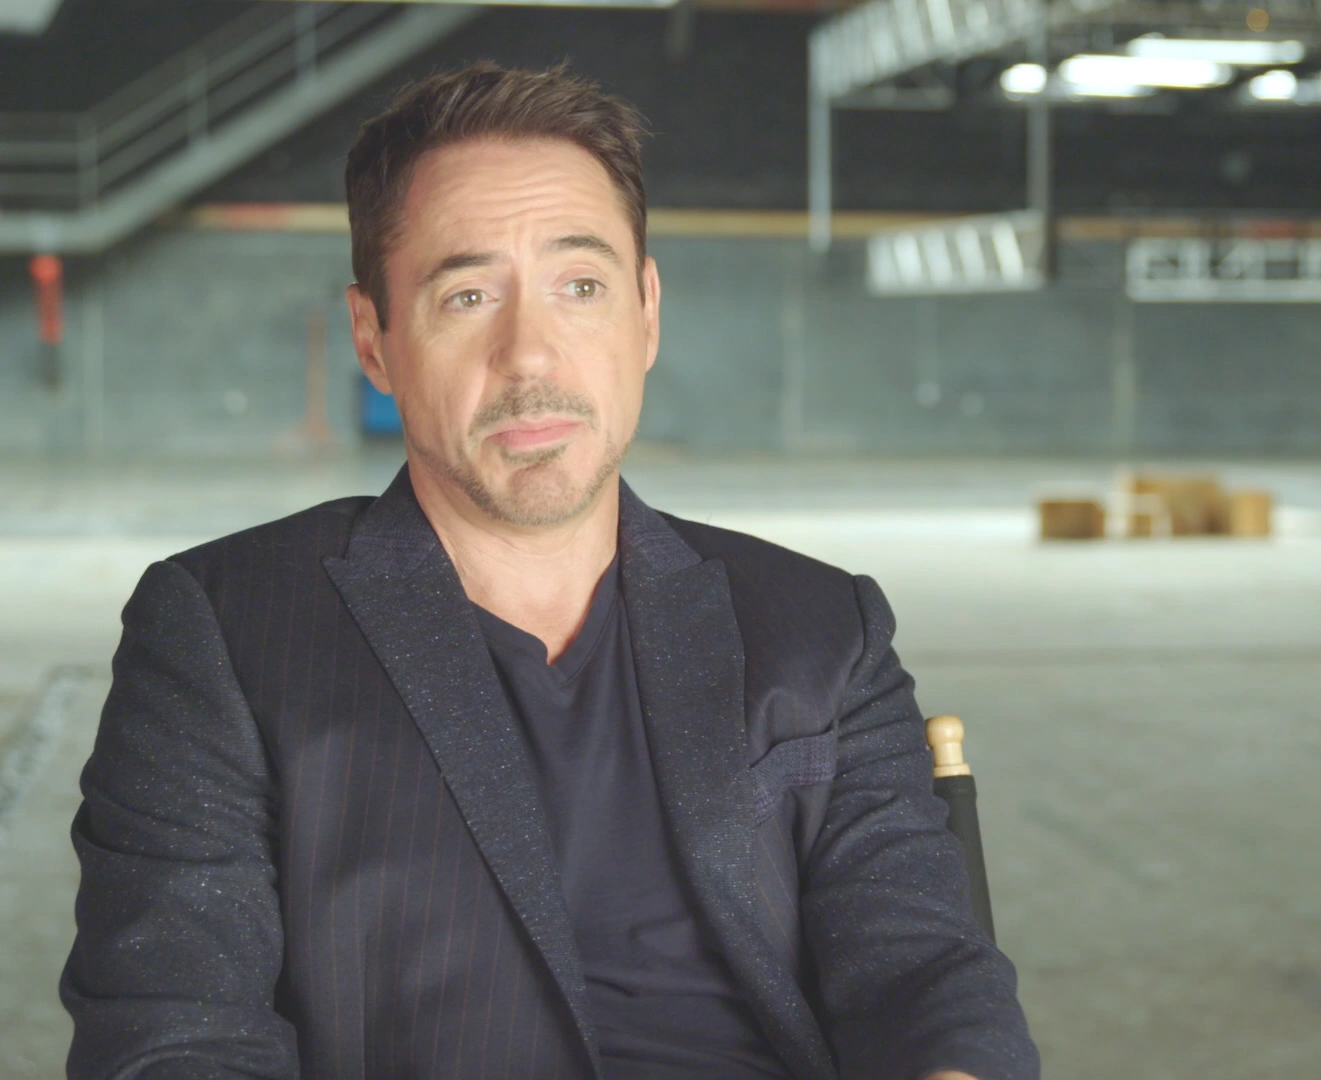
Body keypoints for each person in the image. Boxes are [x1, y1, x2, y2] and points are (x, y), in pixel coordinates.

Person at [61, 61, 1037, 1080]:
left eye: (581, 286)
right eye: (467, 295)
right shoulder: (224, 632)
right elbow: (173, 1035)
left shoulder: (824, 626)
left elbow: (924, 970)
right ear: (375, 341)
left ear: (646, 312)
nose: (529, 354)